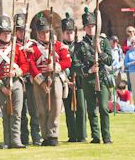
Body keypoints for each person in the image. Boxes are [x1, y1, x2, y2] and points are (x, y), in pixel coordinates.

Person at [28, 12, 71, 146]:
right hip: (39, 80)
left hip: (55, 78)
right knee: (41, 109)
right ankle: (45, 135)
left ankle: (53, 134)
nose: (44, 35)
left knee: (55, 107)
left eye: (46, 32)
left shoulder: (58, 46)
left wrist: (56, 66)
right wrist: (40, 80)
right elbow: (30, 63)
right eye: (41, 33)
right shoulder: (33, 48)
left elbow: (67, 61)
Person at [0, 15, 29, 149]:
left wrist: (16, 72)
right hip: (1, 84)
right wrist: (1, 86)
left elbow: (25, 65)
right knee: (6, 113)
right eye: (4, 33)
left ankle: (16, 140)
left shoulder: (17, 48)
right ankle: (6, 141)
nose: (7, 36)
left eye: (8, 33)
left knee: (17, 113)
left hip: (16, 82)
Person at [73, 8, 113, 144]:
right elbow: (75, 66)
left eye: (93, 26)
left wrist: (99, 50)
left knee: (103, 108)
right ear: (84, 28)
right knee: (91, 109)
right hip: (88, 80)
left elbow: (109, 61)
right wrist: (89, 70)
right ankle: (96, 137)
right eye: (88, 27)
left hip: (101, 78)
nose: (91, 29)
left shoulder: (103, 41)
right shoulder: (80, 45)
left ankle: (106, 137)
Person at [16, 12, 42, 146]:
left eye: (24, 30)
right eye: (19, 31)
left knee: (34, 111)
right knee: (20, 112)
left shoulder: (34, 44)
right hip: (19, 80)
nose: (22, 33)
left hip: (31, 81)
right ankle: (23, 138)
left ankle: (36, 137)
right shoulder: (12, 46)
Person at [61, 13, 87, 143]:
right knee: (69, 110)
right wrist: (67, 81)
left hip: (80, 82)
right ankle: (72, 135)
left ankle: (81, 135)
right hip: (66, 82)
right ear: (63, 33)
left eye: (71, 32)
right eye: (67, 32)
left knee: (81, 109)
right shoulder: (60, 48)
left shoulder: (80, 46)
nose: (69, 35)